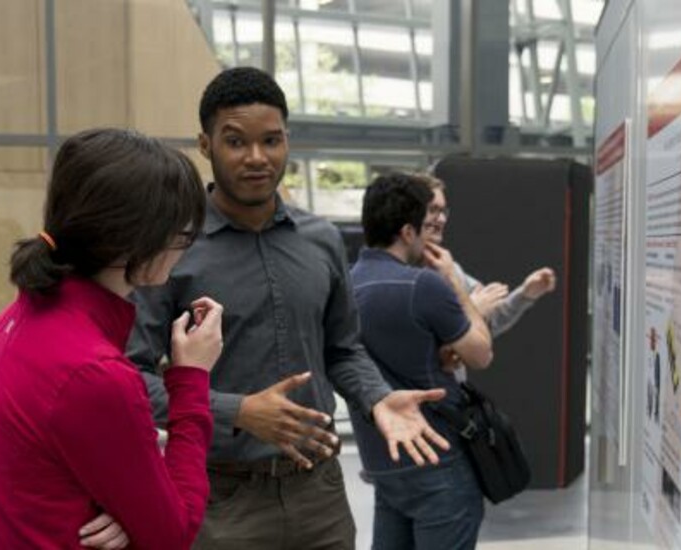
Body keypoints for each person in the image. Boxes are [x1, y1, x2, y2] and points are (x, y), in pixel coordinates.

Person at [127, 67, 450, 550]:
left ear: (287, 141)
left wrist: (378, 396)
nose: (257, 158)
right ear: (205, 144)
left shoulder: (320, 240)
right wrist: (239, 411)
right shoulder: (172, 246)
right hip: (219, 500)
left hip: (317, 494)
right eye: (236, 142)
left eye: (271, 140)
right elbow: (131, 377)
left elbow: (342, 349)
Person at [0, 128, 224, 549]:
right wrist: (191, 378)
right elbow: (173, 533)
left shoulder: (16, 320)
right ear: (138, 240)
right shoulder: (94, 372)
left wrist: (126, 501)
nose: (186, 246)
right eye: (182, 234)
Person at [350, 173, 493, 550]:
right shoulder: (422, 285)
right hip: (437, 458)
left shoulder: (345, 286)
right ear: (409, 232)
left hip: (382, 462)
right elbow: (480, 353)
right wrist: (457, 286)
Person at [419, 174, 556, 338]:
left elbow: (489, 321)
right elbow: (414, 341)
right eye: (433, 210)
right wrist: (470, 312)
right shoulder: (398, 271)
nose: (441, 219)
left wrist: (525, 294)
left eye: (443, 211)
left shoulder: (449, 267)